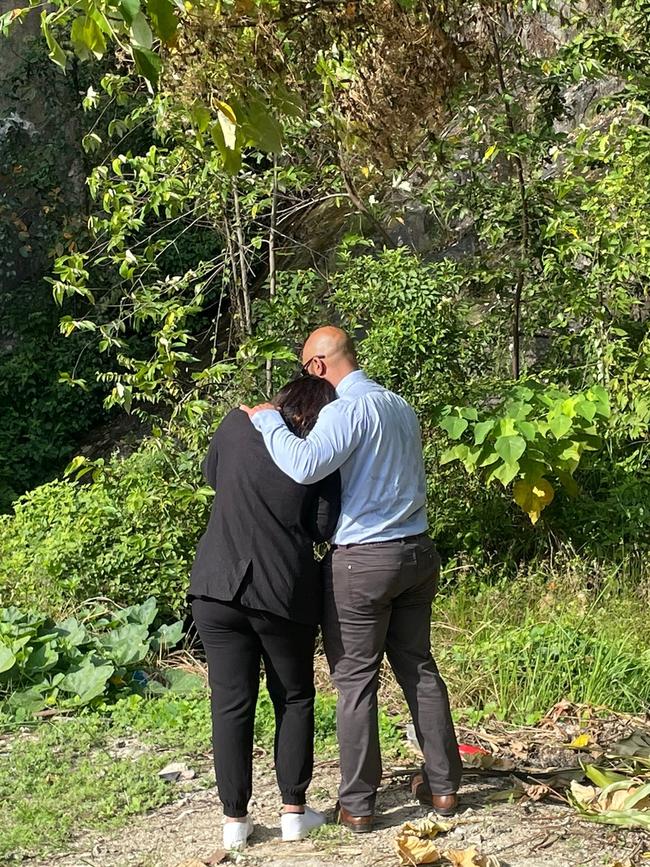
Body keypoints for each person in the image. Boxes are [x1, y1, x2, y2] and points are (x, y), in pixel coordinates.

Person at [241, 326, 462, 833]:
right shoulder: (400, 406)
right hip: (417, 552)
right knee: (419, 669)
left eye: (305, 368)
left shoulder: (345, 409)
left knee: (356, 680)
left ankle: (359, 804)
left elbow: (303, 465)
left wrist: (270, 422)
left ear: (318, 366)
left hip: (364, 560)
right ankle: (445, 786)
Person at [189, 375, 341, 850]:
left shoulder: (235, 424)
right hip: (282, 590)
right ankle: (294, 811)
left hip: (216, 585)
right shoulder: (317, 452)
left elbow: (213, 477)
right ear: (317, 414)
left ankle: (234, 820)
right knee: (293, 697)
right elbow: (322, 526)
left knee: (230, 703)